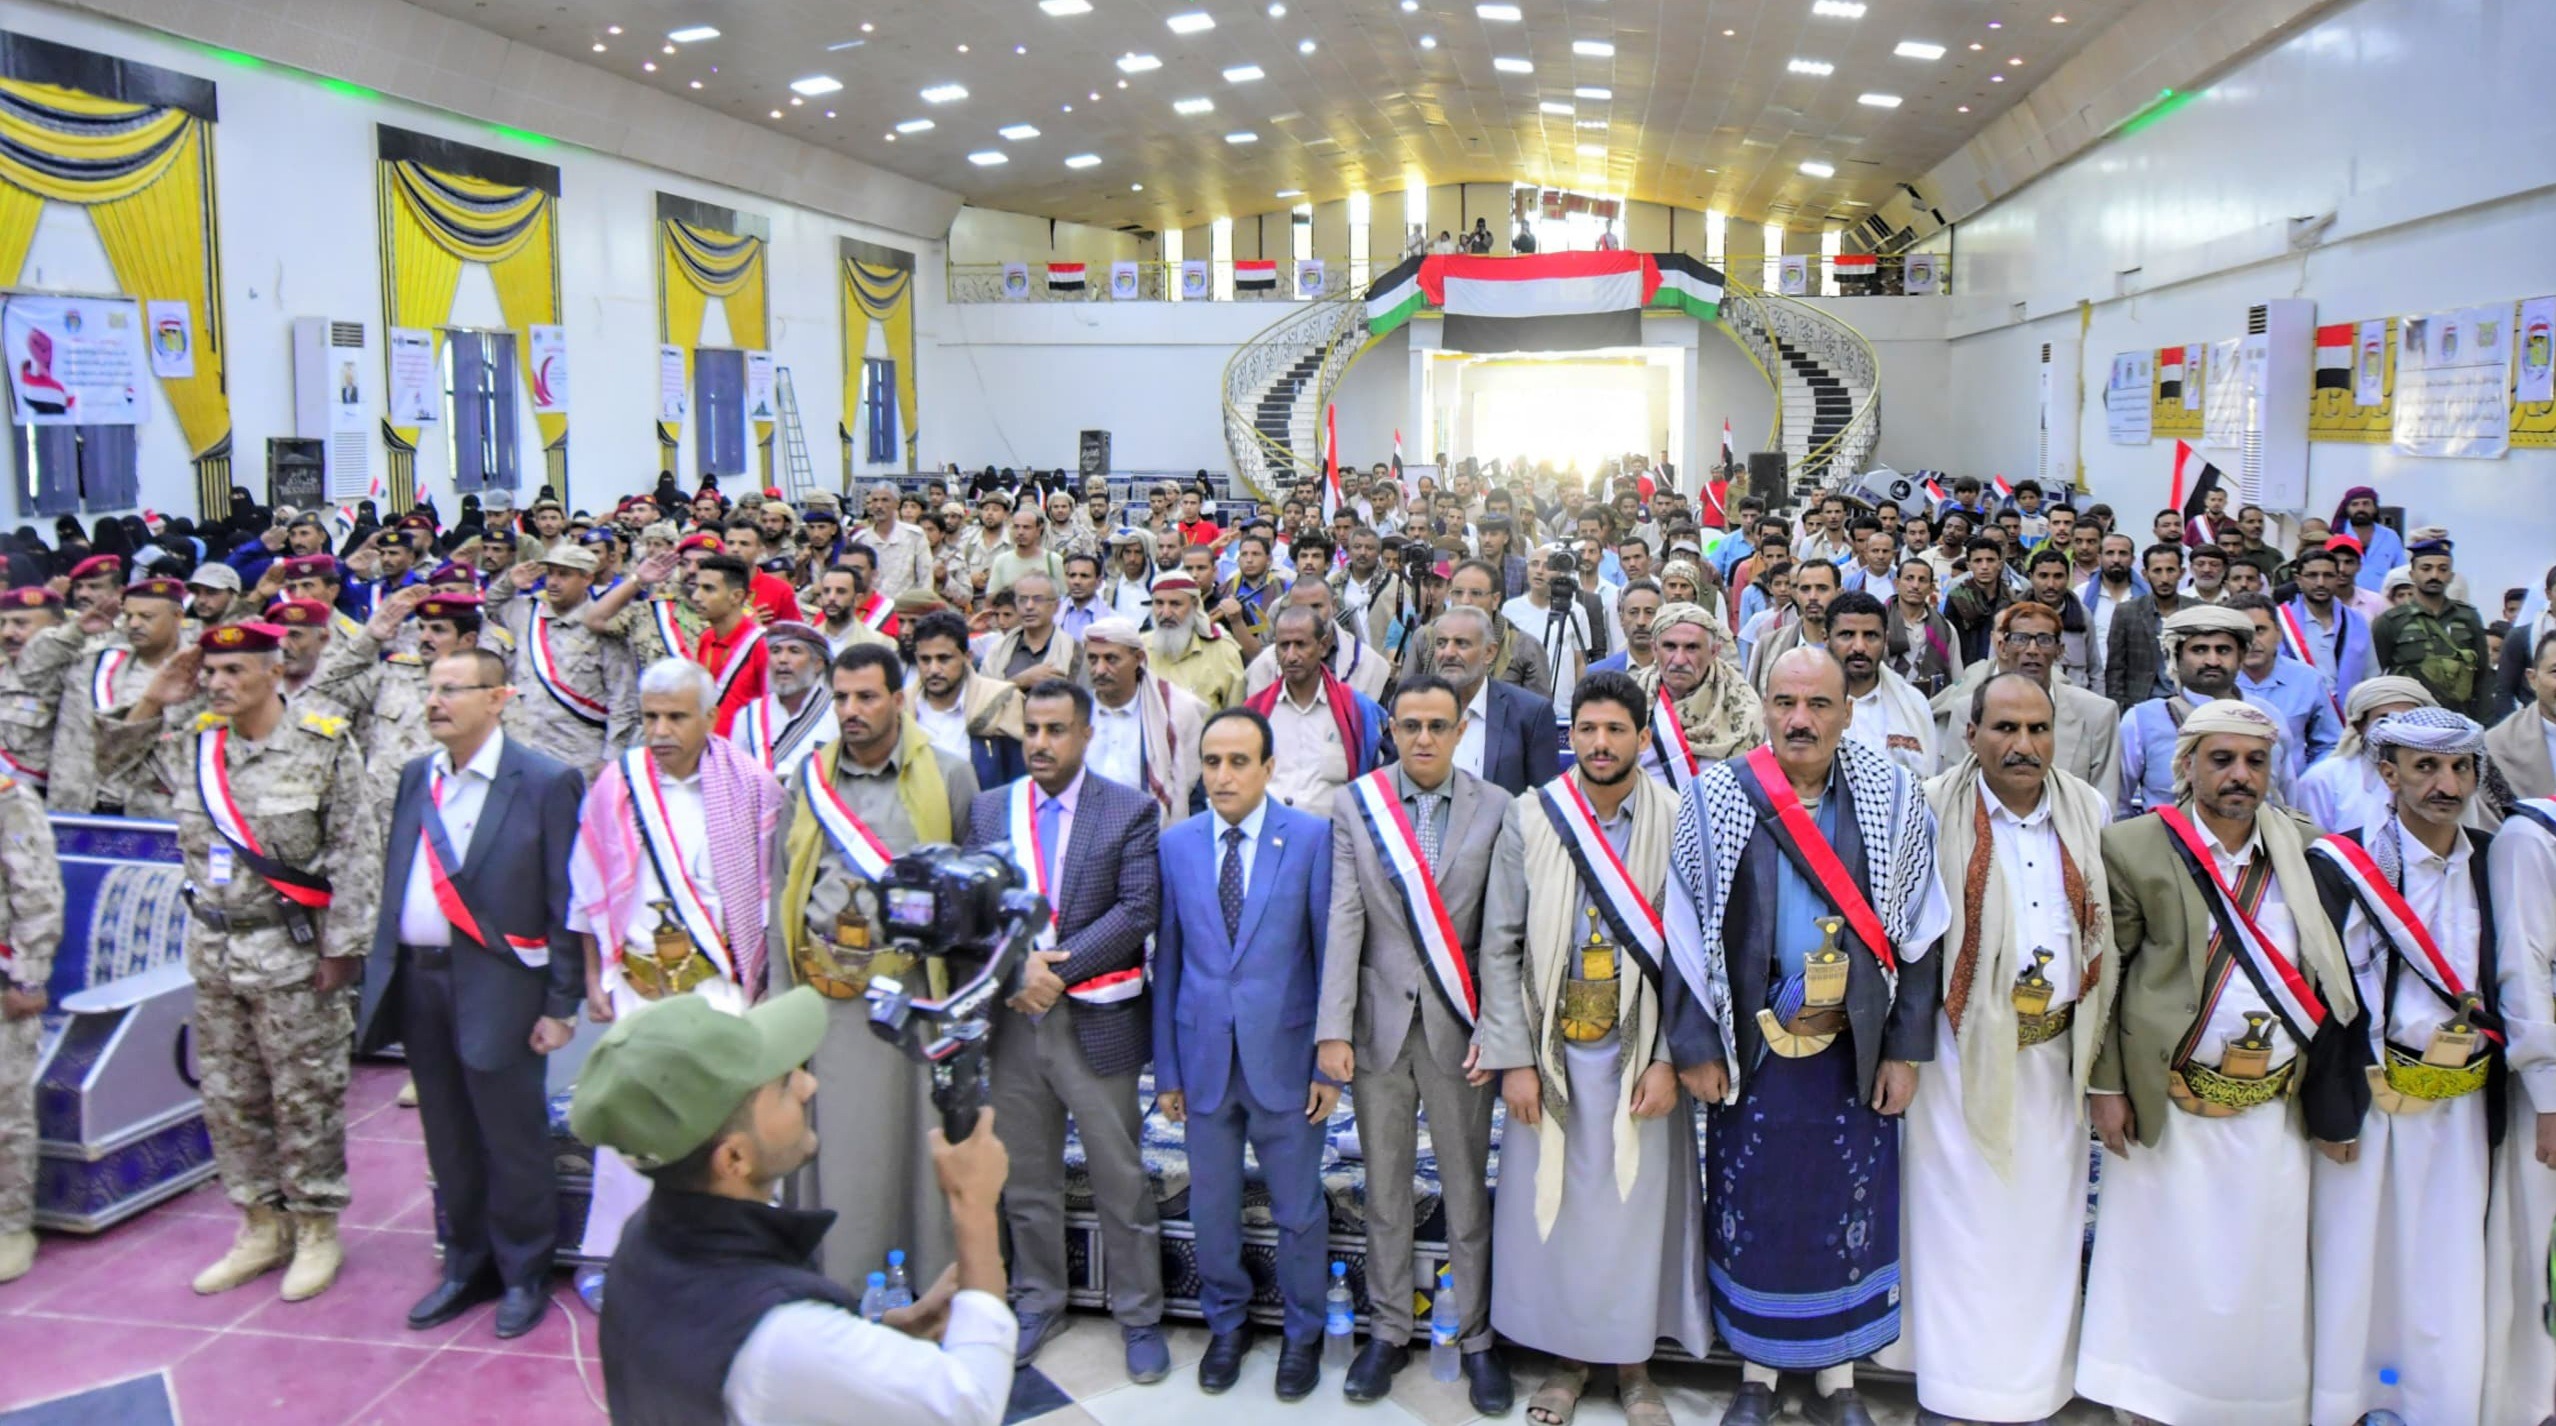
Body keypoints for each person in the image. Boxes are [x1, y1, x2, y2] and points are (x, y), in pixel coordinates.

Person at [1662, 647, 1947, 1426]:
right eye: (1785, 702)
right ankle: (1756, 1372)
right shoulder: (1717, 796)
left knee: (1845, 1211)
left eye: (1819, 704)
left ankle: (1839, 1378)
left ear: (1848, 710)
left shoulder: (1891, 796)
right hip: (1750, 1046)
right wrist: (1694, 1046)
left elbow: (1923, 936)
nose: (1800, 720)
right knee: (1757, 1206)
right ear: (1763, 705)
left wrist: (1904, 1048)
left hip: (1852, 1049)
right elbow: (1683, 934)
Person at [2074, 698, 2367, 1425]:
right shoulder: (2136, 846)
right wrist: (2107, 1086)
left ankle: (2247, 1405)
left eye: (2255, 761)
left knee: (2257, 1270)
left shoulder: (2306, 849)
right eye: (2222, 759)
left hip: (2271, 1105)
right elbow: (2108, 975)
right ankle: (2147, 1401)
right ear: (2188, 766)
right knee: (2160, 1265)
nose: (2240, 776)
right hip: (2165, 1097)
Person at [574, 989, 1017, 1425]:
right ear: (734, 1159)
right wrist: (973, 1207)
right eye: (785, 1085)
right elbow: (970, 1407)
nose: (808, 1084)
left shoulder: (642, 1240)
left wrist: (889, 1336)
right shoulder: (781, 1335)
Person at [106, 623, 383, 1300]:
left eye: (235, 671)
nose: (219, 683)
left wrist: (344, 950)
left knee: (305, 1096)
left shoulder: (321, 742)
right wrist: (151, 699)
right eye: (212, 671)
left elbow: (355, 849)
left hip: (292, 950)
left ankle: (316, 1226)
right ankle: (260, 1224)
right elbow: (110, 768)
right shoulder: (196, 741)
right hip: (217, 950)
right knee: (231, 1098)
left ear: (272, 670)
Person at [1478, 671, 1709, 1426]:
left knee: (1632, 1210)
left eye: (1616, 730)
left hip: (1640, 1053)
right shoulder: (1532, 816)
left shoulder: (1679, 817)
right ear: (1568, 737)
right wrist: (1513, 1058)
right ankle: (1568, 1361)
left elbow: (1693, 954)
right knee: (1561, 1210)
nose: (1601, 744)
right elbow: (1501, 943)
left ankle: (1635, 1365)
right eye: (1587, 730)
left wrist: (1671, 1057)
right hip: (1549, 1055)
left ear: (1644, 738)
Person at [1888, 673, 2115, 1424]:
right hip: (1957, 1056)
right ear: (1971, 733)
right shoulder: (1926, 808)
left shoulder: (2088, 810)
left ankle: (2033, 1390)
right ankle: (1950, 1394)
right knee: (1956, 1230)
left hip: (2055, 1055)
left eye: (2039, 730)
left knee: (2042, 1228)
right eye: (2006, 729)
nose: (2024, 746)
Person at [358, 648, 584, 1340]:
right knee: (448, 1132)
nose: (435, 702)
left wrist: (559, 1005)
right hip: (422, 979)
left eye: (453, 690)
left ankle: (523, 1272)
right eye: (431, 689)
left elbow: (563, 901)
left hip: (502, 983)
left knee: (511, 1137)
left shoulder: (545, 781)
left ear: (499, 698)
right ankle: (466, 1261)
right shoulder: (413, 778)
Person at [1315, 674, 1513, 1412]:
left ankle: (1478, 1338)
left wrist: (1497, 1029)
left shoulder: (1497, 807)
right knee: (1387, 1187)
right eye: (1409, 726)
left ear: (1462, 731)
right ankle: (1390, 1329)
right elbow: (1343, 917)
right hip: (1378, 1027)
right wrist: (1333, 1029)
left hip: (1460, 1027)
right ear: (1389, 731)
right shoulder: (1356, 805)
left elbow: (1502, 932)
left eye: (1438, 725)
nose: (1423, 738)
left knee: (1466, 1189)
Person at [962, 681, 1168, 1379]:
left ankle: (1139, 1314)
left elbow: (1138, 909)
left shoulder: (1130, 810)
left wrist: (1053, 968)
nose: (1041, 744)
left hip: (1096, 1021)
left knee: (1120, 1176)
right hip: (1015, 1024)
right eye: (1032, 731)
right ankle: (1038, 1298)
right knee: (1028, 1178)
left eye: (1056, 730)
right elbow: (975, 908)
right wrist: (1016, 970)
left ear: (1085, 735)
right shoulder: (990, 811)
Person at [2304, 707, 2504, 1426]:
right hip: (2373, 1100)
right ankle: (2358, 1401)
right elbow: (2325, 1001)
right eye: (2425, 767)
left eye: (2460, 768)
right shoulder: (2342, 863)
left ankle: (2433, 1405)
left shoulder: (2497, 857)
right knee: (2359, 1262)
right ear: (2387, 774)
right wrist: (2329, 1111)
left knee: (2447, 1267)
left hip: (2466, 1108)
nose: (2446, 784)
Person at [771, 641, 982, 1297]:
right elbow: (785, 886)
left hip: (912, 1000)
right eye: (840, 698)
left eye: (866, 697)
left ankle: (923, 1285)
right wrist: (784, 1007)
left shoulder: (948, 776)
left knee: (911, 1150)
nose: (851, 711)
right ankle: (833, 1283)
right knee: (837, 1151)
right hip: (828, 1002)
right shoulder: (808, 780)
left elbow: (973, 898)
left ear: (899, 698)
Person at [570, 657, 789, 1262]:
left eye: (675, 717)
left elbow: (773, 895)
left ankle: (732, 1251)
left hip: (720, 986)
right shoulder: (619, 783)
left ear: (711, 717)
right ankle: (619, 1253)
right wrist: (594, 977)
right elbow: (585, 887)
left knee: (724, 1125)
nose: (661, 731)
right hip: (640, 987)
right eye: (650, 718)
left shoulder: (751, 786)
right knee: (632, 1123)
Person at [1152, 706, 1336, 1399]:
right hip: (1203, 1061)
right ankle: (1226, 1322)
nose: (1222, 776)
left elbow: (1326, 959)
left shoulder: (1311, 839)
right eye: (1211, 762)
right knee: (1213, 1207)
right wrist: (1166, 1067)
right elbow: (1168, 961)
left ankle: (1302, 1331)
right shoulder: (1178, 845)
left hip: (1286, 1060)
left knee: (1297, 1209)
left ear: (1267, 768)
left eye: (1237, 762)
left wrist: (1326, 1060)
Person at [2485, 791, 2556, 1426]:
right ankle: (2530, 1403)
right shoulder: (2533, 835)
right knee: (2536, 1245)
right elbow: (2524, 969)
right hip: (2550, 1085)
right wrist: (2549, 1092)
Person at [1932, 600, 2126, 813]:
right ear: (2002, 647)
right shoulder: (1966, 710)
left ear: (2059, 650)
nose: (2032, 650)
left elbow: (2104, 811)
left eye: (2044, 640)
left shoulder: (2097, 715)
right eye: (2021, 639)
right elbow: (1957, 800)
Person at [2116, 604, 2300, 818]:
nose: (2212, 661)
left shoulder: (2268, 716)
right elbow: (2118, 804)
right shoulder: (2142, 720)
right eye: (2199, 649)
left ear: (2241, 657)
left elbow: (2288, 797)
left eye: (2223, 650)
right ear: (2176, 656)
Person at [50, 576, 190, 816]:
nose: (134, 624)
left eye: (146, 617)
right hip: (81, 802)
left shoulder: (199, 672)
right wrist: (75, 631)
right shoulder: (94, 661)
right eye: (128, 616)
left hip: (156, 812)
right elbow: (31, 673)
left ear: (177, 617)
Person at [0, 764, 63, 1283]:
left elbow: (37, 888)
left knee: (4, 1109)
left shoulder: (7, 796)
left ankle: (10, 1226)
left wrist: (29, 976)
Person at [491, 541, 627, 773]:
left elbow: (622, 700)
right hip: (526, 747)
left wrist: (610, 760)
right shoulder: (527, 612)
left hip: (578, 755)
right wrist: (509, 583)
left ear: (587, 579)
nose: (553, 581)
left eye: (564, 575)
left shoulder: (604, 625)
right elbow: (491, 608)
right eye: (550, 573)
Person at [1243, 605, 1386, 816]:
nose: (1291, 656)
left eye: (1301, 645)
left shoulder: (1356, 711)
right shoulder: (1256, 711)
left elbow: (1377, 780)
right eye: (1284, 646)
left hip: (1334, 839)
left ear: (1323, 646)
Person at [1430, 603, 1560, 797]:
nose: (1448, 653)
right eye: (1441, 643)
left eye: (1461, 643)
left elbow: (1543, 802)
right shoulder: (1415, 708)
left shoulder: (1530, 713)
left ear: (1489, 652)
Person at [1636, 601, 1763, 793]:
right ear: (1654, 649)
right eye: (1670, 647)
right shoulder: (1630, 699)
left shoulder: (1745, 709)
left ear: (1714, 652)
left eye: (1692, 648)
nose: (1679, 660)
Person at [2371, 531, 2493, 721]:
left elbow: (2483, 676)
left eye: (2442, 569)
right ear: (2412, 574)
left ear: (2451, 576)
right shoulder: (2391, 621)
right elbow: (2375, 676)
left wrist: (2484, 724)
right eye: (2426, 568)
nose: (2434, 575)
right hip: (2409, 722)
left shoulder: (2468, 617)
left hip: (2459, 720)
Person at [2296, 676, 2438, 835]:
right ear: (2360, 725)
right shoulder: (2323, 778)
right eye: (2384, 719)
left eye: (2407, 719)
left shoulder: (2443, 776)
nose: (2396, 729)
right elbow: (2313, 844)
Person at [905, 610, 1027, 790]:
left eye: (943, 658)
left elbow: (1019, 781)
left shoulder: (1000, 700)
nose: (934, 669)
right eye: (925, 660)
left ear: (967, 658)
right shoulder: (901, 707)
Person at [1828, 590, 1938, 776]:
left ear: (1886, 640)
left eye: (1870, 636)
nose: (1859, 647)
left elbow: (1929, 782)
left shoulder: (1913, 705)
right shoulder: (1805, 704)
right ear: (1826, 638)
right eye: (1847, 635)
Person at [2230, 593, 2345, 766]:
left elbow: (2330, 744)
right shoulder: (2216, 681)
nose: (2251, 641)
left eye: (2260, 630)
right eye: (2241, 633)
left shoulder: (2307, 680)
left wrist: (2308, 782)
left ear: (2278, 632)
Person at [1243, 579, 1390, 701]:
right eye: (1300, 608)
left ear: (1334, 605)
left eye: (1316, 606)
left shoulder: (1369, 664)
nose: (1309, 616)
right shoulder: (1265, 666)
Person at [728, 621, 837, 780]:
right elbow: (733, 777)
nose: (782, 659)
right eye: (775, 651)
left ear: (818, 664)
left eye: (794, 651)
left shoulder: (836, 713)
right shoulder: (749, 716)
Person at [2101, 543, 2188, 710]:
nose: (2164, 579)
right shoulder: (2126, 612)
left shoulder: (2197, 610)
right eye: (2157, 571)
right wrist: (2119, 709)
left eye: (2170, 570)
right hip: (2142, 703)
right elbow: (2115, 669)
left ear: (2181, 573)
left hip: (2188, 700)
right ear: (2145, 574)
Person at [2282, 545, 2374, 701]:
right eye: (2312, 575)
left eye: (2328, 575)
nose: (2320, 583)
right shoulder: (2281, 620)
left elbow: (2371, 675)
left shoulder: (2357, 621)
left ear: (2338, 578)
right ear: (2298, 580)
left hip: (2347, 714)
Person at [1145, 573, 1245, 711]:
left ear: (1195, 605)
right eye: (1159, 603)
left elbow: (1236, 719)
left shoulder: (1223, 651)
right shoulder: (1138, 649)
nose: (1166, 613)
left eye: (1175, 604)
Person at [979, 571, 1086, 690]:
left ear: (1056, 606)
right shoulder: (998, 651)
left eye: (1038, 599)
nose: (1029, 606)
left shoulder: (1072, 650)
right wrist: (1020, 682)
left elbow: (1082, 699)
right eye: (1022, 600)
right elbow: (983, 698)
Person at [1884, 556, 1961, 697]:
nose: (1915, 585)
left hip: (1933, 709)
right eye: (1909, 578)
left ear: (1931, 588)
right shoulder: (1879, 624)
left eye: (1922, 580)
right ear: (1896, 583)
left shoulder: (1946, 629)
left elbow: (1957, 680)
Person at [849, 481, 932, 599]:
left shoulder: (915, 536)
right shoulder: (861, 540)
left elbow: (925, 579)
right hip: (871, 610)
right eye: (875, 500)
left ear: (896, 504)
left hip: (904, 610)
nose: (878, 506)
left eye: (885, 500)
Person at [2332, 485, 2406, 592]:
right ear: (2347, 509)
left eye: (2366, 503)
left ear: (2375, 507)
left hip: (2382, 603)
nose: (2360, 509)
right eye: (2355, 504)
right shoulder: (2337, 535)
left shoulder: (2390, 537)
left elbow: (2401, 572)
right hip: (2346, 602)